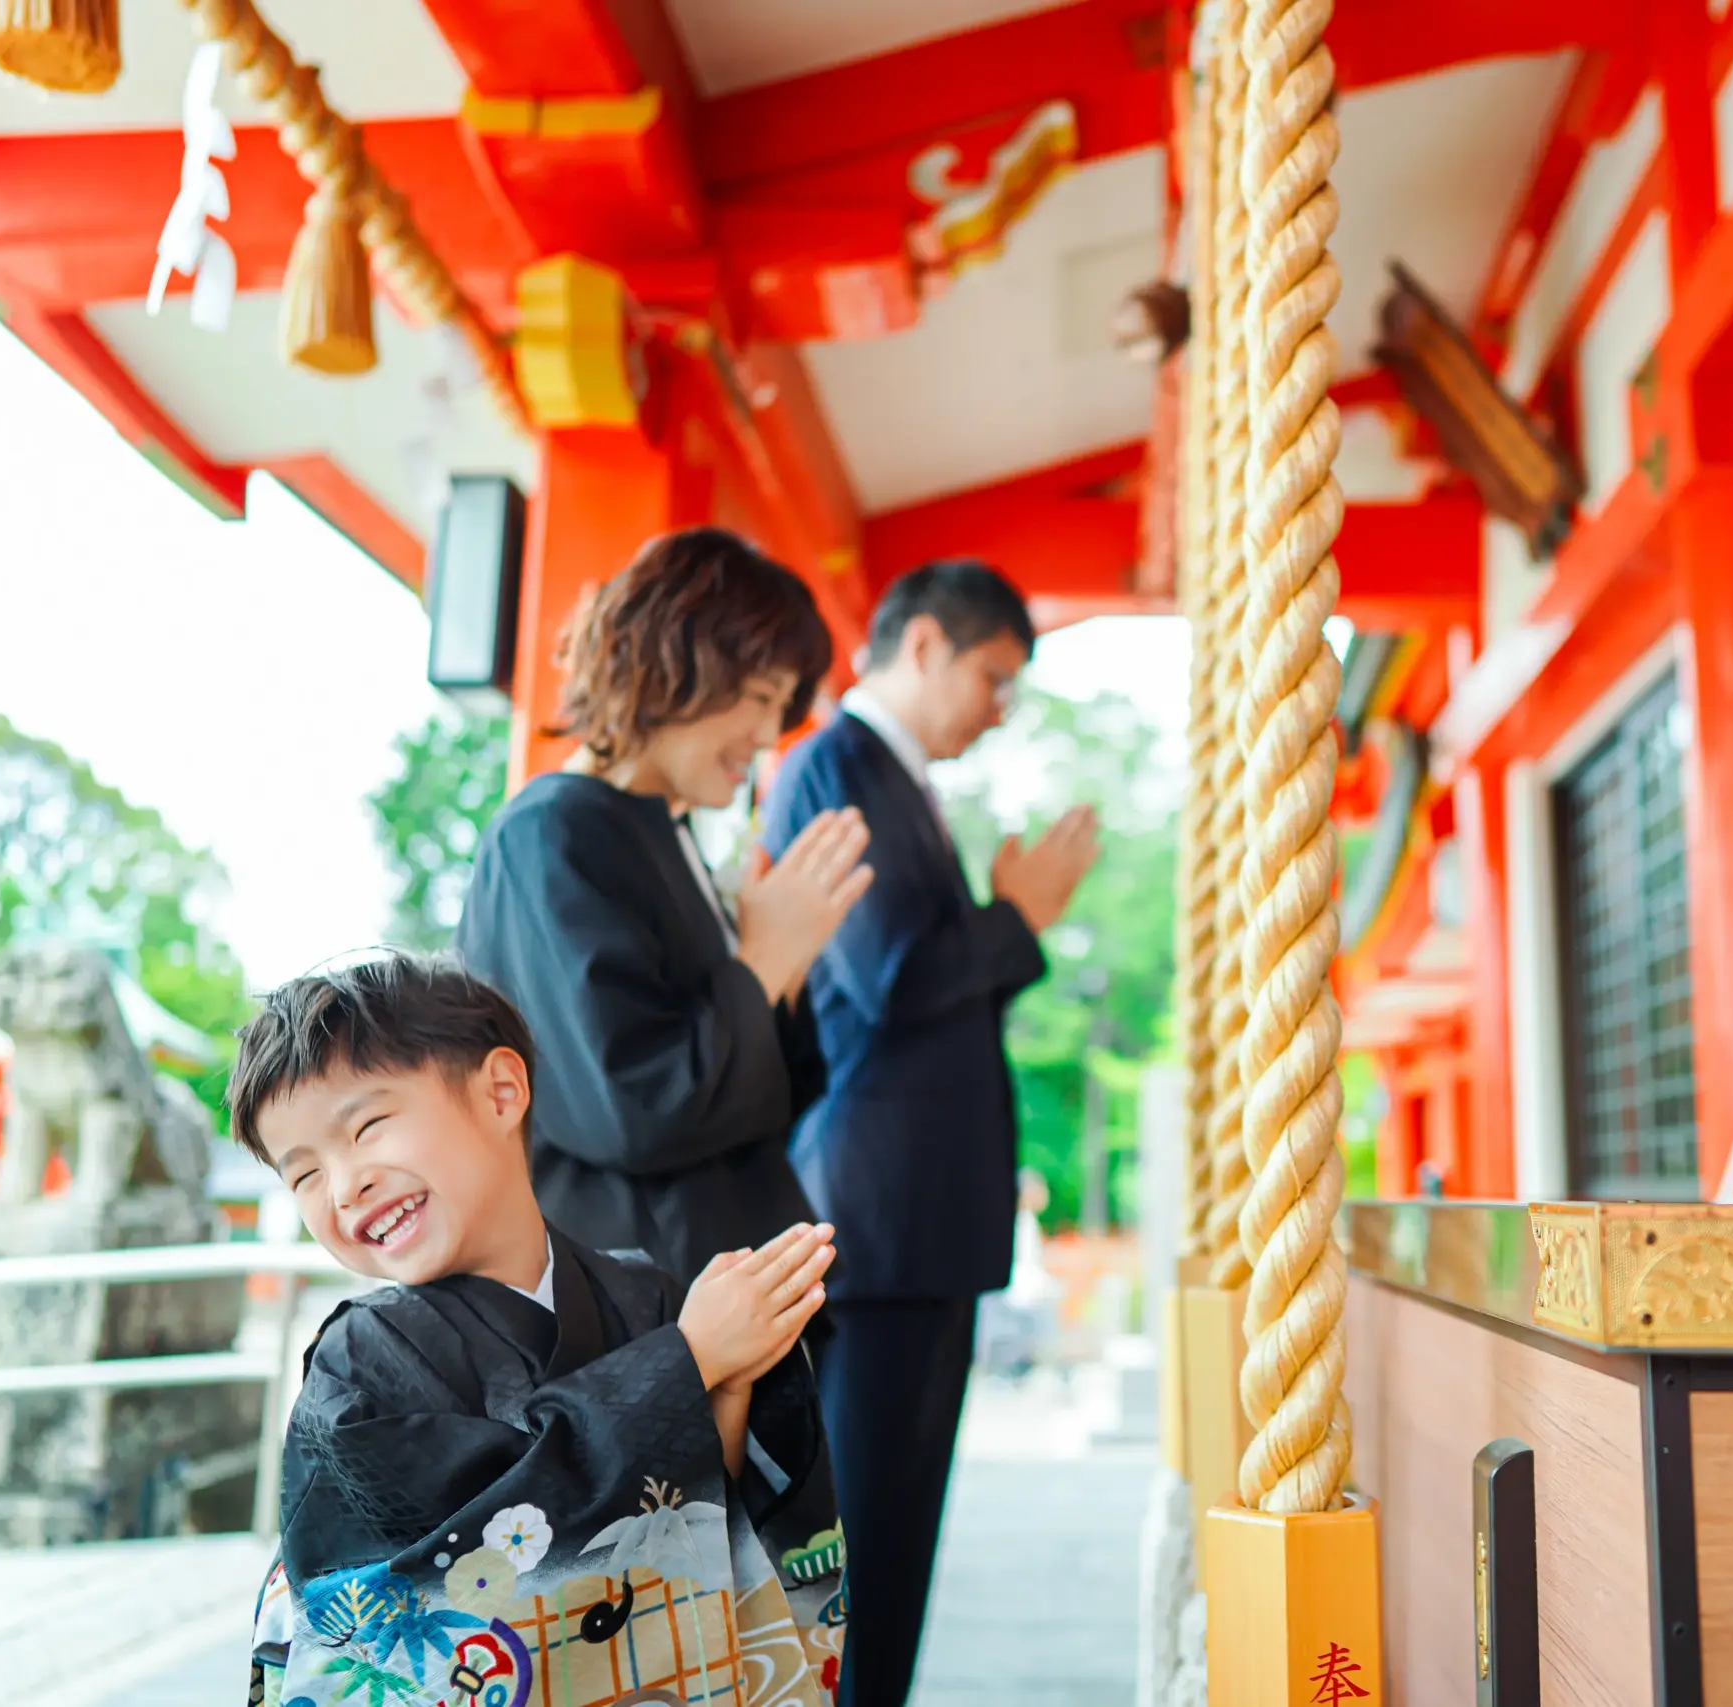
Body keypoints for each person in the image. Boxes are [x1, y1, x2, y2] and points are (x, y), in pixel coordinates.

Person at [228, 954, 848, 1706]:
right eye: (305, 1175)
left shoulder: (643, 1293)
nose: (345, 1183)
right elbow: (475, 1543)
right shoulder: (360, 1363)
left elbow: (689, 1508)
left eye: (368, 1126)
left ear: (500, 1090)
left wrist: (737, 1371)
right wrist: (685, 1363)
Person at [762, 560, 1099, 1707]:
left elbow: (912, 996)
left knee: (896, 1536)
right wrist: (1018, 920)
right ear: (921, 649)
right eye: (994, 678)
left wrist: (999, 928)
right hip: (881, 1211)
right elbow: (892, 985)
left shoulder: (887, 777)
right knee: (869, 1538)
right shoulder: (837, 766)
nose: (1000, 708)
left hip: (911, 1212)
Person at [456, 527, 872, 1290]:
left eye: (781, 705)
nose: (769, 734)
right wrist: (762, 963)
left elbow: (766, 1085)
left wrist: (783, 965)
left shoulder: (664, 830)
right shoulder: (551, 832)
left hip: (725, 1295)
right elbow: (631, 1109)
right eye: (757, 697)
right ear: (671, 664)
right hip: (645, 1319)